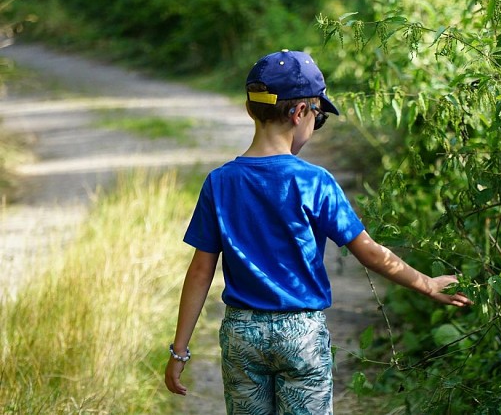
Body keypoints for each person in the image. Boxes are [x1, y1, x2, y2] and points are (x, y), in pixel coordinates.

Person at [164, 49, 472, 414]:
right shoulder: (315, 182)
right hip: (301, 333)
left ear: (251, 109)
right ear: (300, 113)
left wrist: (180, 349)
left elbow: (201, 270)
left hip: (242, 333)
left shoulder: (220, 183)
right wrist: (428, 284)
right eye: (319, 117)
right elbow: (370, 253)